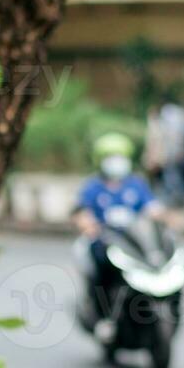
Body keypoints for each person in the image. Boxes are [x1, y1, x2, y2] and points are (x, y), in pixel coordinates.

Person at [71, 131, 169, 322]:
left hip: (133, 241)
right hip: (106, 242)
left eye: (120, 157)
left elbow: (152, 209)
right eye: (111, 157)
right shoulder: (93, 186)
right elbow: (81, 212)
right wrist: (87, 224)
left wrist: (165, 219)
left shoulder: (136, 184)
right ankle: (101, 314)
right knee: (98, 268)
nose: (116, 162)